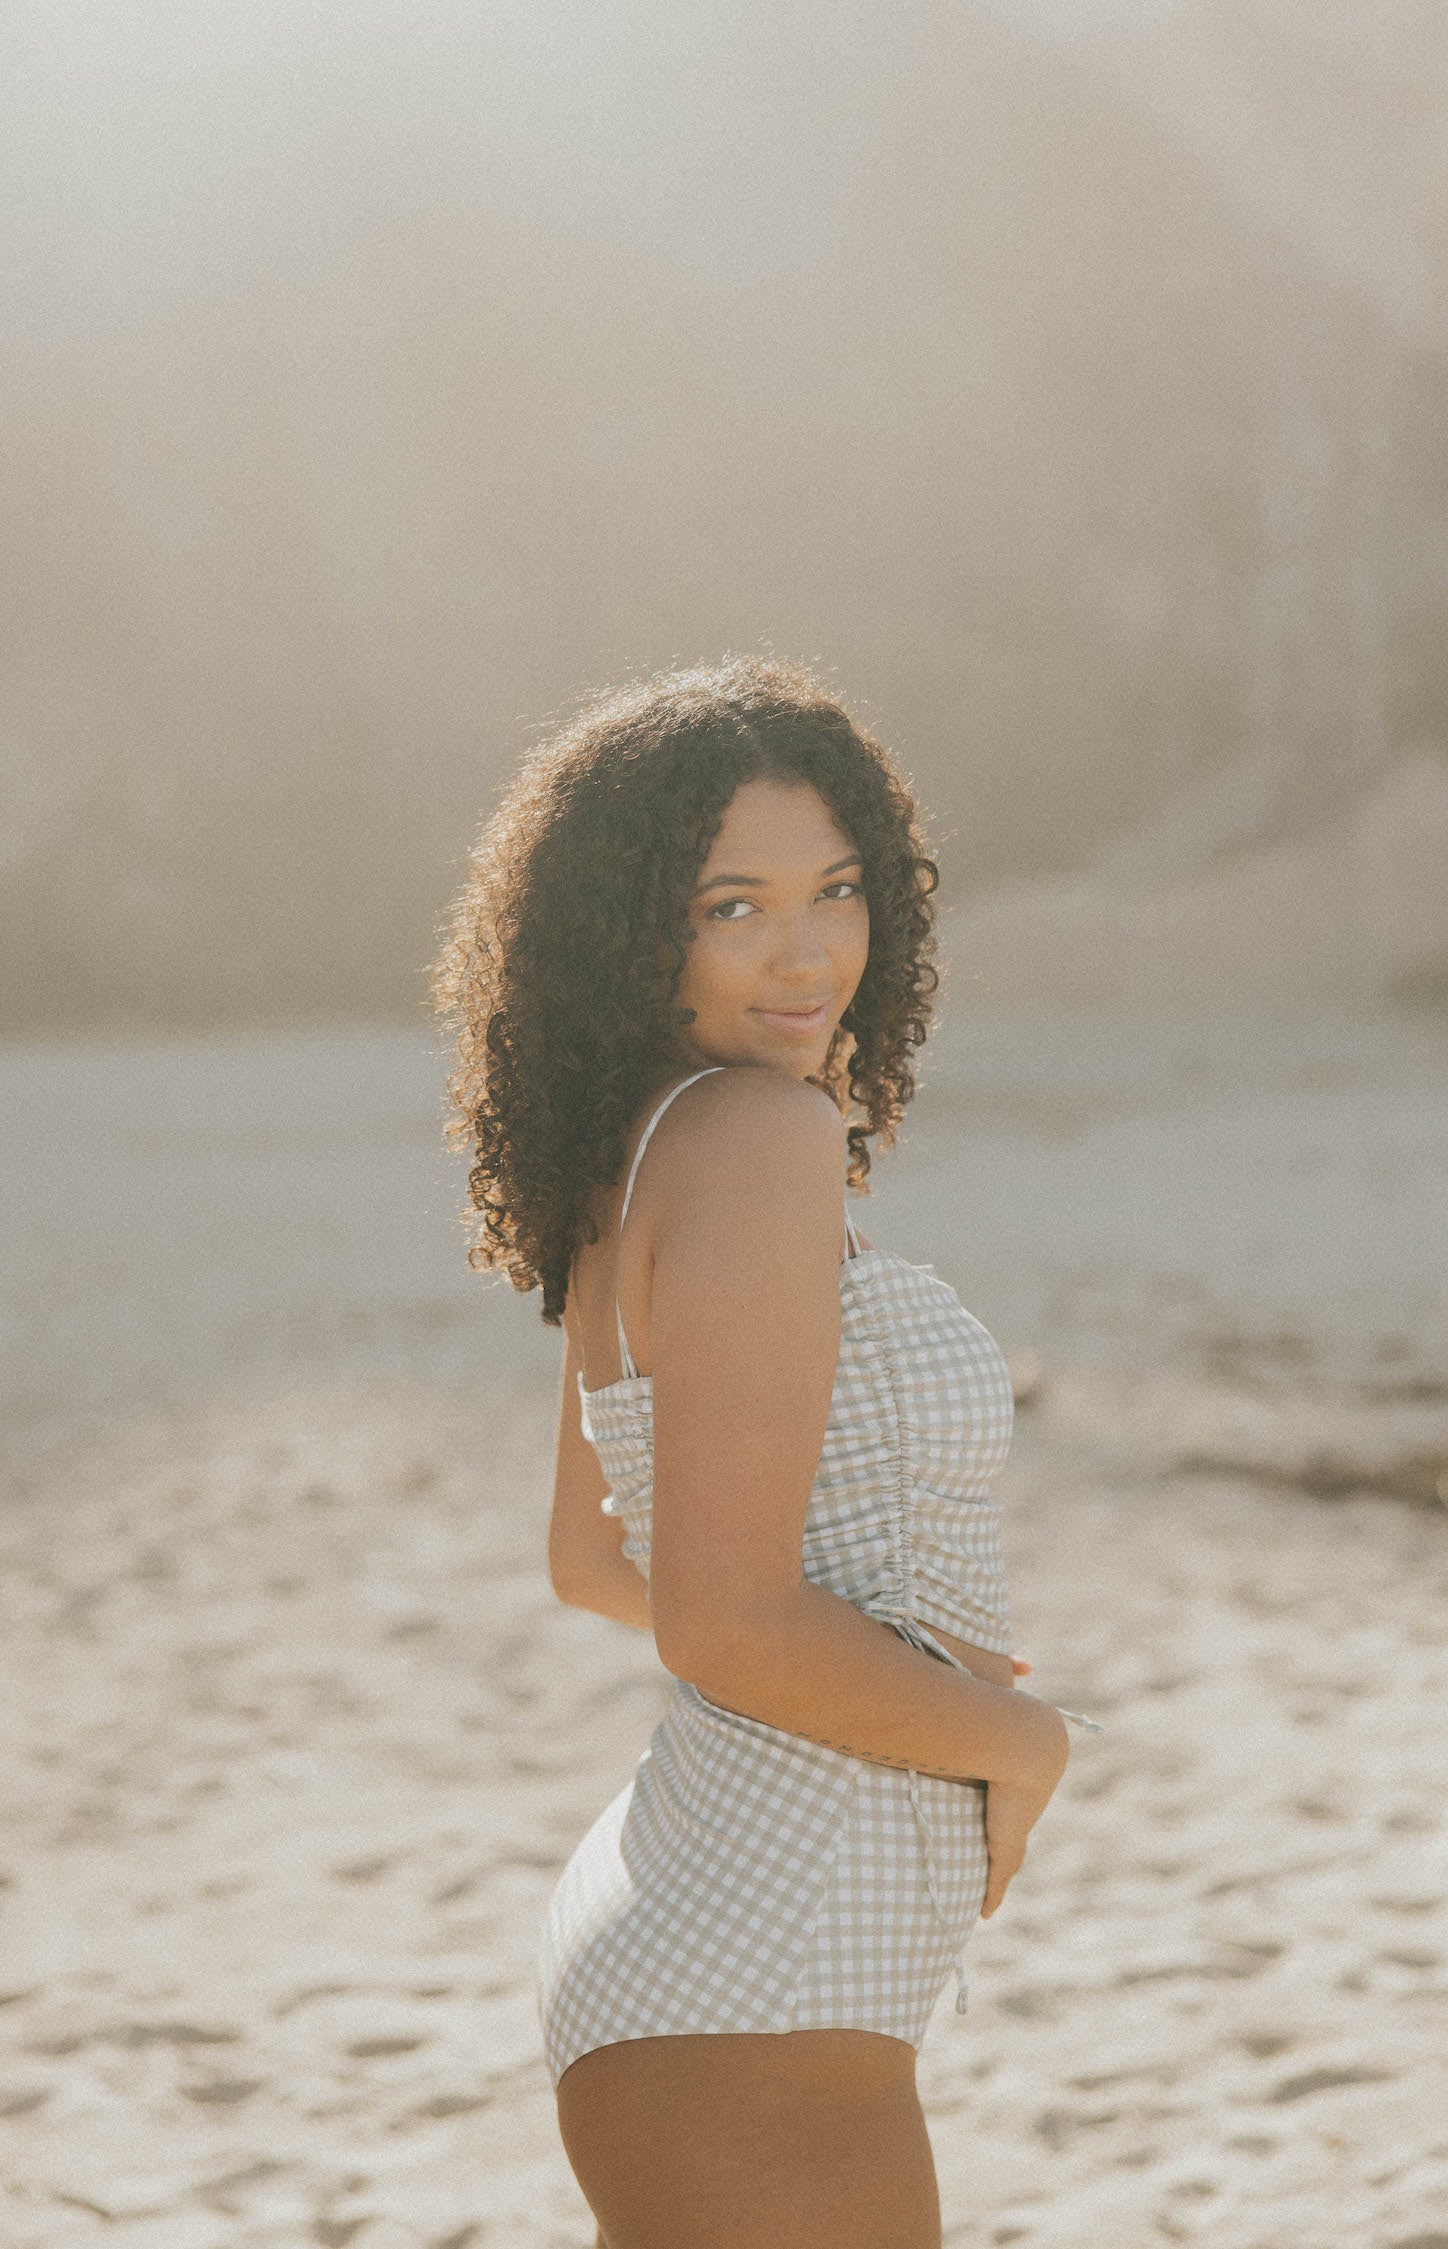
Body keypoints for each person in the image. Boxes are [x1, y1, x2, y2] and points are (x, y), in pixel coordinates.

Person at [428, 655, 1101, 2248]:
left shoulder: (651, 1145)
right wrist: (1016, 1738)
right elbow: (715, 1619)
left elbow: (594, 1553)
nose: (807, 952)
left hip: (714, 1957)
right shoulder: (753, 1141)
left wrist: (899, 1657)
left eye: (838, 889)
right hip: (757, 1983)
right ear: (633, 926)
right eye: (733, 904)